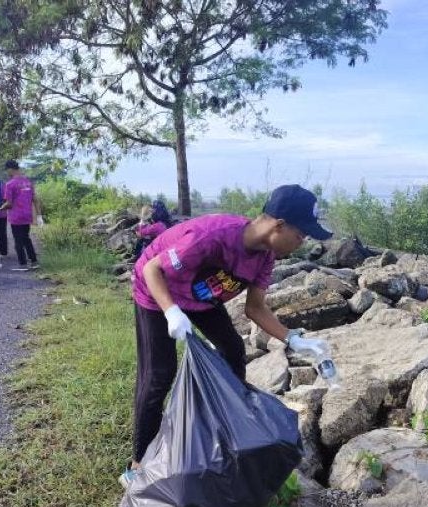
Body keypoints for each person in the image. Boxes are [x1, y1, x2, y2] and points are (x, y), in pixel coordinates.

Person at [121, 184, 333, 487]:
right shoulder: (213, 236)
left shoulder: (265, 257)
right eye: (301, 235)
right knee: (159, 374)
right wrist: (171, 311)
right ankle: (138, 465)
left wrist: (293, 339)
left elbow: (255, 308)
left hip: (199, 299)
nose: (302, 243)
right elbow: (153, 270)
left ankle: (224, 429)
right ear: (279, 225)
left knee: (233, 350)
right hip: (156, 292)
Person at [0, 159, 43, 271]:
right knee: (26, 238)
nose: (7, 173)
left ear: (10, 169)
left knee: (18, 240)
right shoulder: (28, 182)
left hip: (16, 216)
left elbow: (9, 203)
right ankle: (34, 262)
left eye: (7, 170)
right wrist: (39, 216)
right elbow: (35, 199)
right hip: (27, 215)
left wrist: (1, 208)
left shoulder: (10, 184)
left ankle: (23, 264)